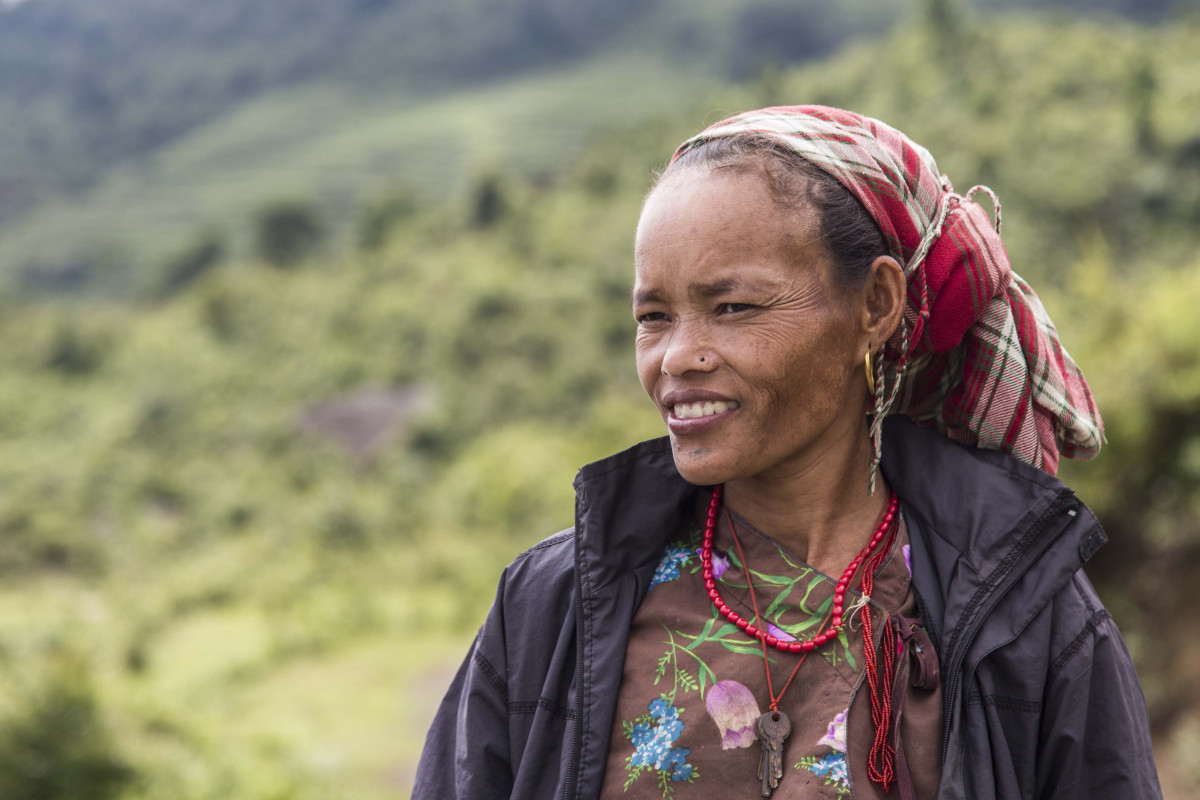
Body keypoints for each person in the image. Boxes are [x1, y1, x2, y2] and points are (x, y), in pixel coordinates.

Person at [412, 106, 1161, 799]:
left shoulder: (1023, 614)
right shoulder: (554, 604)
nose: (676, 357)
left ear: (875, 305)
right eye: (653, 316)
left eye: (732, 307)